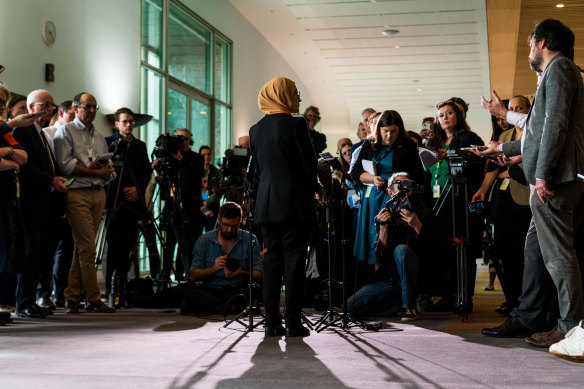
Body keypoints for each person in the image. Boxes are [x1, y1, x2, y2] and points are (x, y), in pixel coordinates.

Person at [479, 19, 584, 348]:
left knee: (559, 257)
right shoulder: (557, 71)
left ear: (542, 42)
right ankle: (534, 317)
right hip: (551, 176)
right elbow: (539, 131)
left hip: (554, 180)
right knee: (538, 252)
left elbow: (555, 127)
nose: (528, 50)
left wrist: (542, 174)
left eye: (529, 44)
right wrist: (502, 147)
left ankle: (571, 329)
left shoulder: (561, 69)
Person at [250, 76, 317, 337]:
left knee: (272, 263)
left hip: (266, 205)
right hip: (293, 203)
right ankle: (292, 322)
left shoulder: (255, 129)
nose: (299, 98)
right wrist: (315, 189)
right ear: (284, 95)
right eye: (296, 92)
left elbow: (257, 172)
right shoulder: (295, 125)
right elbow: (308, 165)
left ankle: (271, 323)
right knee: (294, 262)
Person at [54, 92, 116, 314]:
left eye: (94, 107)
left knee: (81, 248)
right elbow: (67, 165)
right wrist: (94, 170)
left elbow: (106, 169)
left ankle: (71, 296)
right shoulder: (65, 131)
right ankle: (93, 298)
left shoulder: (99, 136)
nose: (91, 111)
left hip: (98, 193)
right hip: (77, 193)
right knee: (88, 248)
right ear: (75, 107)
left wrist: (108, 172)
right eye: (87, 106)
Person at [471, 96, 531, 314]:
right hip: (501, 199)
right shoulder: (505, 135)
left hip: (525, 199)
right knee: (503, 252)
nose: (514, 111)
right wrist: (483, 191)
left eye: (519, 108)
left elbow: (527, 171)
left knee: (525, 253)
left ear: (528, 110)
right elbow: (494, 169)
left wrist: (509, 170)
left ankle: (526, 303)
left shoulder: (533, 131)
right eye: (511, 108)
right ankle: (512, 300)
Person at [424, 99, 485, 313]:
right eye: (441, 115)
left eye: (449, 113)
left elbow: (478, 162)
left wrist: (449, 156)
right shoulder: (434, 142)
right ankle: (447, 296)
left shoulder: (469, 138)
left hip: (459, 203)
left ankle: (464, 298)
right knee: (444, 252)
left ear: (458, 116)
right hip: (437, 202)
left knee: (463, 251)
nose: (445, 118)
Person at [12, 90, 68, 318]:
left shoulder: (40, 132)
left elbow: (46, 164)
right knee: (30, 253)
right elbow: (26, 168)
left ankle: (31, 300)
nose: (49, 109)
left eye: (52, 105)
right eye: (44, 104)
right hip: (29, 201)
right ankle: (24, 302)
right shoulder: (22, 129)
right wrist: (50, 180)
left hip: (44, 201)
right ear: (31, 107)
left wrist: (57, 177)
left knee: (39, 253)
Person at [347, 172, 428, 320]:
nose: (404, 188)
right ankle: (397, 304)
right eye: (399, 184)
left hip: (417, 276)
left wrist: (416, 224)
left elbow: (432, 249)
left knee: (401, 250)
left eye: (407, 184)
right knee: (349, 308)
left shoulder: (422, 211)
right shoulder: (385, 213)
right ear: (390, 192)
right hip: (390, 279)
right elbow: (379, 255)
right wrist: (383, 228)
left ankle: (409, 306)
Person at [351, 110, 424, 266]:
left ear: (400, 129)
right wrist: (372, 179)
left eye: (393, 131)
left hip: (395, 198)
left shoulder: (408, 145)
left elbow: (418, 175)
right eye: (385, 131)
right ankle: (378, 280)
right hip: (372, 198)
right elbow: (356, 172)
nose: (389, 136)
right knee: (373, 240)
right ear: (379, 129)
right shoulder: (369, 143)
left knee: (392, 240)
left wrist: (401, 185)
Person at [172, 202, 262, 314]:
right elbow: (193, 275)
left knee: (255, 289)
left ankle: (205, 307)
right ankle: (230, 308)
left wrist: (240, 273)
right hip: (209, 289)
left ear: (240, 221)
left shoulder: (250, 239)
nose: (229, 230)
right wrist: (213, 269)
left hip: (236, 288)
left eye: (234, 226)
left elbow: (259, 273)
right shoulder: (204, 240)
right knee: (182, 289)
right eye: (225, 225)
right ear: (219, 220)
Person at [104, 107, 152, 305]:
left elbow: (146, 171)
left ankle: (123, 287)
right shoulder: (107, 143)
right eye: (125, 121)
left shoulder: (140, 146)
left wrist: (137, 189)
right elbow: (104, 169)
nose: (129, 125)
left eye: (131, 121)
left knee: (127, 248)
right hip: (115, 201)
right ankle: (109, 288)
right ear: (116, 124)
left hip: (133, 204)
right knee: (113, 247)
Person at [0, 111, 32, 317]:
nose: (0, 106)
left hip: (9, 198)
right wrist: (11, 161)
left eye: (2, 102)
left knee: (9, 251)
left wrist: (7, 152)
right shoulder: (6, 126)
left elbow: (24, 156)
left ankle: (6, 304)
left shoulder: (4, 128)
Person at [199, 145, 220, 232]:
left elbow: (218, 193)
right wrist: (203, 207)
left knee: (211, 236)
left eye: (208, 154)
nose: (206, 157)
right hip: (199, 208)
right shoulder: (195, 170)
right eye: (204, 155)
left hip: (212, 208)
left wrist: (206, 203)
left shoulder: (216, 171)